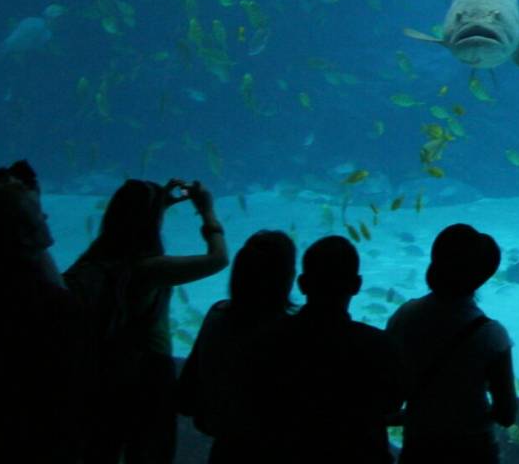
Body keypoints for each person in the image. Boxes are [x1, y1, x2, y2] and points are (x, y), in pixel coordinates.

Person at [66, 176, 230, 464]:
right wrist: (206, 210)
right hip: (148, 372)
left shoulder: (91, 262)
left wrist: (159, 206)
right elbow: (218, 259)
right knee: (151, 451)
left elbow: (131, 224)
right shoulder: (150, 270)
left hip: (103, 367)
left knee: (100, 448)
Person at [0, 161, 87, 464]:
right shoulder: (47, 302)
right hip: (32, 437)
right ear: (23, 233)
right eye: (36, 214)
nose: (45, 216)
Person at [255, 235, 403, 463]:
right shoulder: (379, 346)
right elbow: (391, 404)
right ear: (357, 285)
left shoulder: (267, 340)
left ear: (302, 284)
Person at [387, 223, 519, 464]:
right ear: (482, 276)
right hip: (475, 450)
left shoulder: (403, 316)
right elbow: (507, 413)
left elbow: (391, 395)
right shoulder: (491, 335)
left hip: (419, 447)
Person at [177, 229, 297, 462]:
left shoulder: (216, 315)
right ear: (289, 278)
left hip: (225, 449)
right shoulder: (292, 333)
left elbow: (186, 395)